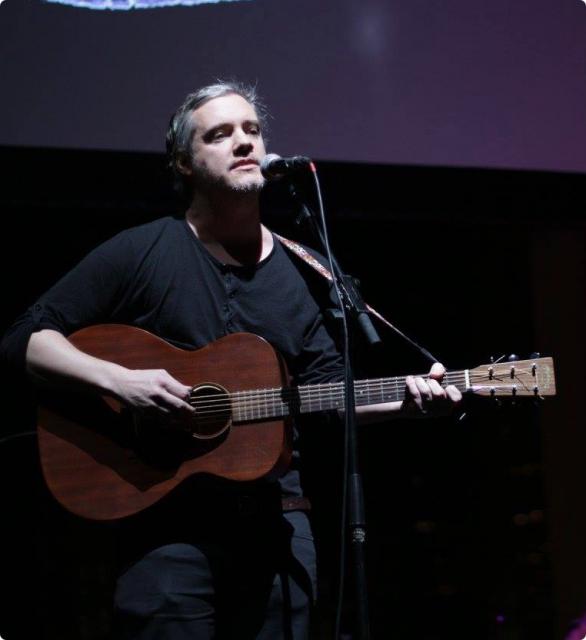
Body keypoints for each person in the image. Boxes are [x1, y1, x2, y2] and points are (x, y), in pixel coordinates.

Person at [1, 81, 462, 639]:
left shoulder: (306, 270)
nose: (244, 142)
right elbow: (26, 338)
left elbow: (327, 399)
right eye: (219, 134)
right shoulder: (142, 251)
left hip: (277, 525)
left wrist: (407, 404)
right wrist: (121, 382)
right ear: (184, 163)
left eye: (252, 130)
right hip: (165, 526)